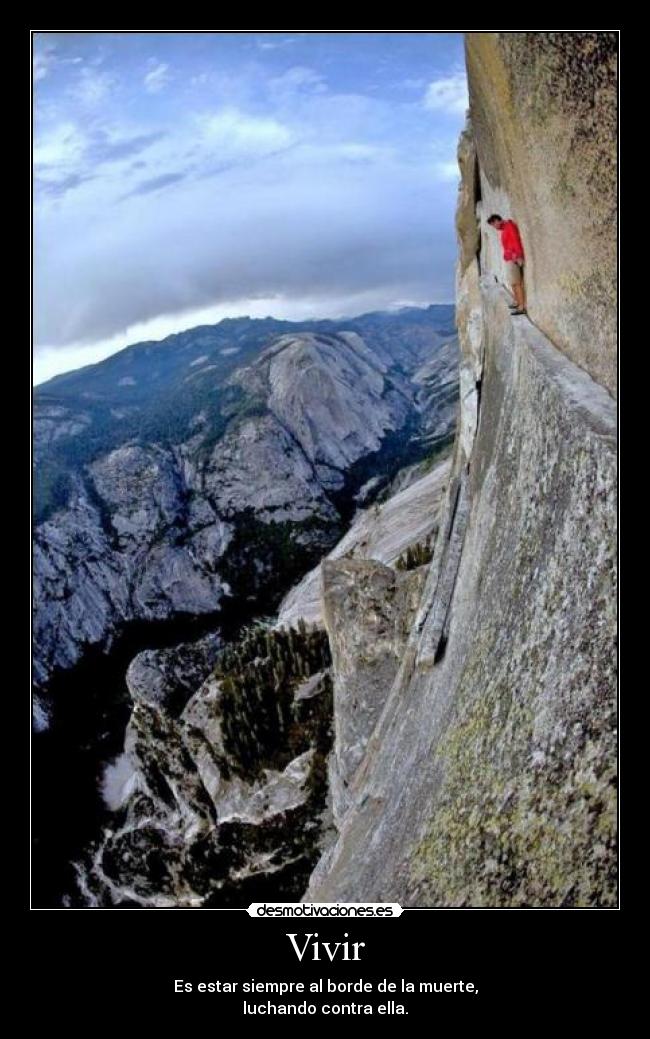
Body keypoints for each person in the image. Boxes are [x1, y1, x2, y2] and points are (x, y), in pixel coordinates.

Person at [487, 214, 526, 315]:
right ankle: (517, 302)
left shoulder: (509, 226)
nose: (494, 227)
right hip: (509, 258)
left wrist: (518, 256)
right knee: (513, 282)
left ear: (497, 220)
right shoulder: (505, 228)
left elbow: (516, 240)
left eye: (493, 224)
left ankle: (521, 307)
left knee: (516, 283)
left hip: (514, 258)